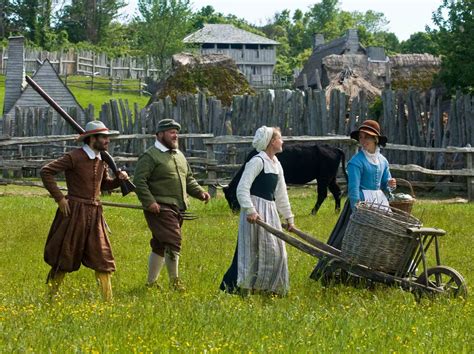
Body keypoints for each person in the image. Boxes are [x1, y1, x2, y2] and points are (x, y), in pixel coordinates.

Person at [41, 120, 129, 301]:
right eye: (103, 137)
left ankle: (108, 303)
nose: (107, 141)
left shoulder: (101, 160)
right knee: (64, 257)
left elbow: (104, 185)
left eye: (107, 137)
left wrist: (120, 179)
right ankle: (50, 298)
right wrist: (60, 198)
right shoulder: (75, 157)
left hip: (95, 214)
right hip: (74, 213)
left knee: (103, 259)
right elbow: (46, 172)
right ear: (92, 139)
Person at [311, 119, 396, 280]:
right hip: (362, 203)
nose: (363, 141)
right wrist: (358, 209)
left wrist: (391, 184)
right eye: (361, 137)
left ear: (375, 140)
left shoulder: (383, 161)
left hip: (380, 202)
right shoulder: (356, 162)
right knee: (350, 238)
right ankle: (332, 271)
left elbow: (386, 183)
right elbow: (353, 189)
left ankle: (377, 268)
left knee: (381, 236)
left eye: (367, 137)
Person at [133, 118, 211, 291]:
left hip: (179, 207)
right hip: (160, 208)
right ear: (160, 134)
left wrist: (199, 192)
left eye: (176, 132)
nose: (175, 135)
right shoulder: (150, 156)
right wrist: (150, 202)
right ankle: (175, 282)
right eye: (171, 132)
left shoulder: (179, 155)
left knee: (160, 244)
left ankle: (151, 283)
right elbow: (139, 181)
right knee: (173, 241)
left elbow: (188, 178)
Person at [220, 126, 295, 296]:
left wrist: (289, 218)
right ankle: (242, 289)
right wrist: (250, 210)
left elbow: (281, 194)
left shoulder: (276, 164)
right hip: (255, 212)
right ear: (271, 142)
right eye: (280, 138)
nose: (282, 141)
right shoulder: (257, 161)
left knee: (276, 252)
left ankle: (269, 288)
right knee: (252, 251)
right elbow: (242, 188)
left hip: (270, 211)